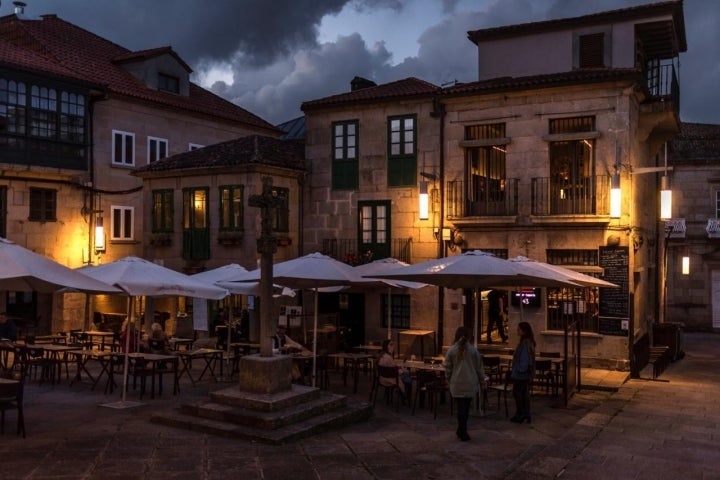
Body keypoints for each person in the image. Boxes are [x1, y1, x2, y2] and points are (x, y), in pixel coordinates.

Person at [444, 326, 485, 441]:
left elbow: (447, 367)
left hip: (456, 383)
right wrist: (482, 380)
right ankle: (462, 430)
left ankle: (461, 429)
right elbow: (479, 368)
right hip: (469, 382)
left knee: (460, 408)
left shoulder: (451, 350)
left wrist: (448, 378)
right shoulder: (473, 351)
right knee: (465, 408)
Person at [510, 321, 536, 424]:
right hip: (524, 373)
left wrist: (520, 370)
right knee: (523, 394)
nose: (517, 331)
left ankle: (521, 413)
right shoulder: (527, 342)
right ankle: (525, 413)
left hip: (521, 374)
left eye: (519, 329)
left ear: (524, 331)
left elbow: (524, 360)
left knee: (518, 393)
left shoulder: (525, 344)